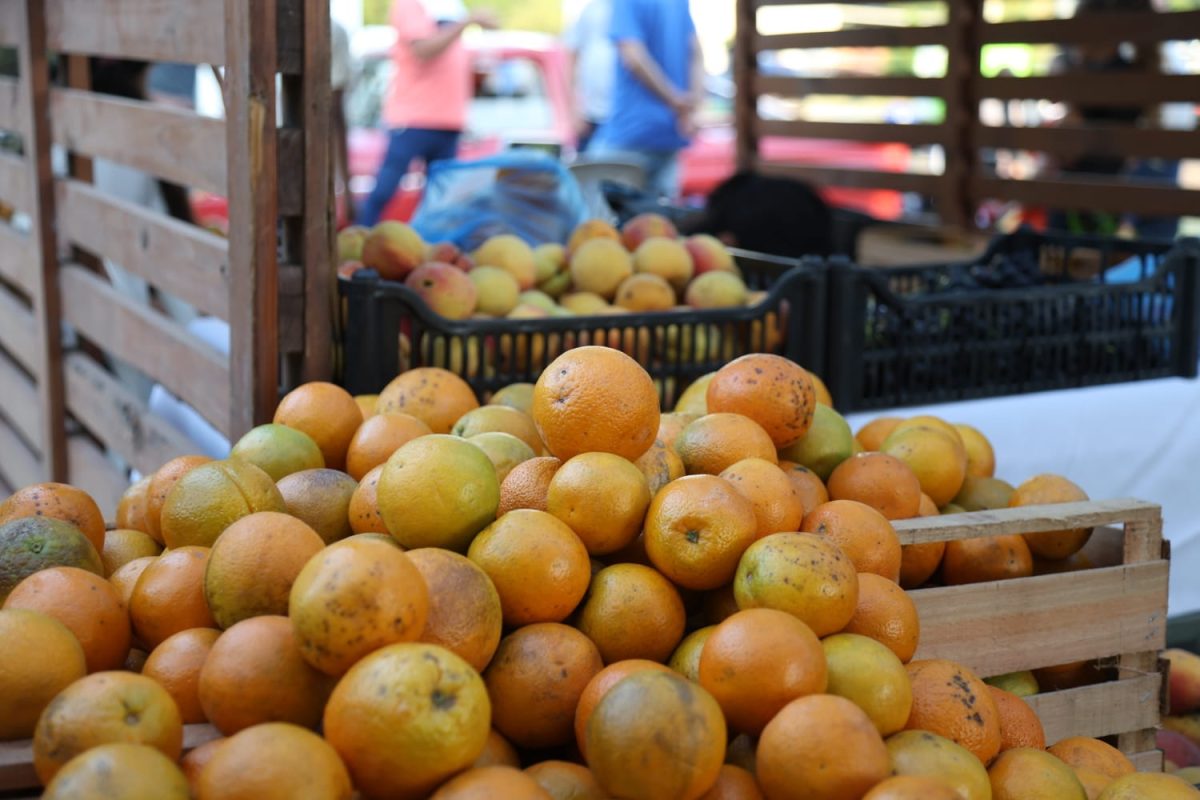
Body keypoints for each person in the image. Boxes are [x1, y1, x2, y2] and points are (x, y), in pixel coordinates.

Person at [357, 0, 499, 227]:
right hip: (413, 118)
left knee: (441, 201)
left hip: (449, 122)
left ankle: (430, 248)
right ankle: (361, 237)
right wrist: (467, 23)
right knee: (385, 190)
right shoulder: (410, 4)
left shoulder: (451, 6)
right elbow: (423, 49)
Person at [588, 0, 704, 200]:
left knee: (590, 200)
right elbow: (695, 52)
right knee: (659, 219)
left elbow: (633, 56)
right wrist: (690, 107)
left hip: (631, 133)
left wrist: (675, 100)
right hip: (671, 132)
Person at [563, 0, 615, 154]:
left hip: (620, 116)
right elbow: (572, 58)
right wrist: (574, 110)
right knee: (587, 171)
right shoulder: (591, 10)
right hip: (590, 115)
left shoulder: (633, 7)